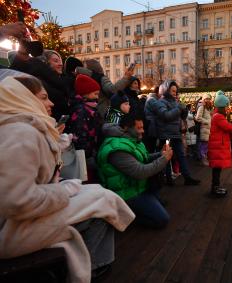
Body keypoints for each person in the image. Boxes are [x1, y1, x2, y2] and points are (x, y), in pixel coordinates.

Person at [0, 76, 135, 283]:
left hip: (20, 221)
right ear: (23, 99)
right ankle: (88, 268)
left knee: (100, 194)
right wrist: (62, 192)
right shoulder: (20, 132)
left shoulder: (23, 129)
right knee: (103, 201)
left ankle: (96, 263)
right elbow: (16, 199)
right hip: (13, 231)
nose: (51, 103)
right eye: (44, 97)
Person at [97, 114, 173, 228]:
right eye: (139, 128)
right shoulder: (117, 148)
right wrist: (164, 159)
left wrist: (160, 154)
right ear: (126, 128)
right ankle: (123, 218)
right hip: (125, 193)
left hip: (136, 187)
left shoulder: (132, 140)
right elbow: (140, 172)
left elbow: (144, 158)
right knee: (162, 220)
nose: (142, 131)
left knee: (158, 200)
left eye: (142, 127)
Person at [156, 80, 200, 186]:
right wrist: (178, 108)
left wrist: (183, 110)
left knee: (181, 155)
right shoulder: (161, 102)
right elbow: (166, 116)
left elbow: (182, 117)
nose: (175, 93)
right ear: (166, 90)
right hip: (166, 134)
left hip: (175, 133)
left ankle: (187, 177)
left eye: (176, 91)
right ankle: (169, 179)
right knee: (167, 157)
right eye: (172, 91)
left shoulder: (175, 102)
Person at [208, 90, 232, 197]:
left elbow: (226, 130)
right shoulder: (218, 117)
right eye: (226, 107)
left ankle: (216, 187)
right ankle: (215, 189)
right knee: (217, 169)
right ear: (221, 107)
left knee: (217, 169)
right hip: (217, 147)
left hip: (217, 146)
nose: (228, 109)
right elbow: (230, 128)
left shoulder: (217, 116)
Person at [67, 74, 101, 182]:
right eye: (95, 94)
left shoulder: (89, 108)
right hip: (85, 156)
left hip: (91, 152)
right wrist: (88, 155)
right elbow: (79, 134)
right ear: (86, 93)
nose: (97, 97)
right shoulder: (81, 111)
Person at [195, 93, 213, 166]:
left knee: (205, 145)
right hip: (204, 128)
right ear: (204, 99)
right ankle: (203, 159)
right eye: (207, 99)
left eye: (209, 99)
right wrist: (207, 122)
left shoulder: (207, 108)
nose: (208, 100)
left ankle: (204, 158)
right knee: (203, 145)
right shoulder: (202, 107)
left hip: (207, 129)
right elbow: (197, 117)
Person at [144, 86, 161, 153]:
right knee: (152, 145)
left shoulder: (153, 99)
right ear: (158, 92)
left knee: (153, 145)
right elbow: (160, 110)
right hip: (152, 126)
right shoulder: (152, 99)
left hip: (152, 125)